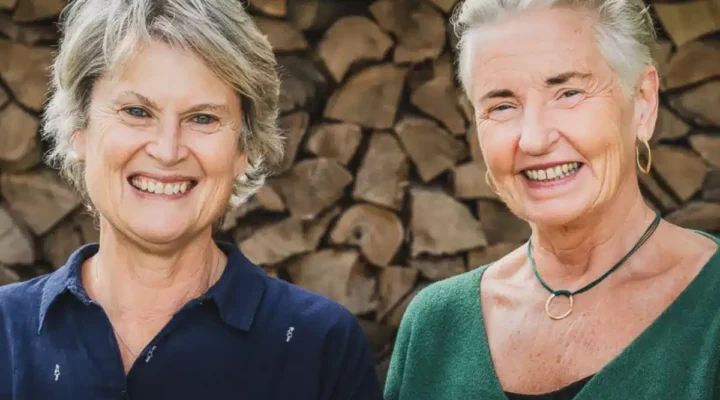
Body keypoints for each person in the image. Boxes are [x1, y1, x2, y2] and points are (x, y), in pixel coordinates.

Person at [0, 0, 382, 399]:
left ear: (243, 149)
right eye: (136, 111)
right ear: (80, 130)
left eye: (203, 118)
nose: (168, 150)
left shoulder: (320, 346)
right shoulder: (5, 333)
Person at [385, 1, 720, 399]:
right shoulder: (435, 325)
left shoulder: (711, 305)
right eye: (502, 105)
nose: (534, 139)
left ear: (643, 101)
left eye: (569, 93)